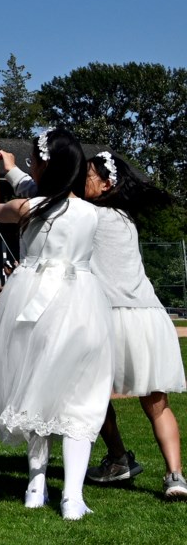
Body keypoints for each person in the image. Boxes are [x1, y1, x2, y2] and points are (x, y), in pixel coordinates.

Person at [0, 129, 113, 520]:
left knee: (37, 386)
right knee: (79, 395)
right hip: (78, 300)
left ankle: (36, 486)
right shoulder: (91, 213)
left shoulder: (28, 207)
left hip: (30, 297)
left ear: (44, 164)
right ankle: (71, 494)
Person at [82, 153, 186, 498]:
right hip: (148, 316)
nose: (81, 181)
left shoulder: (89, 215)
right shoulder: (123, 217)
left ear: (106, 184)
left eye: (87, 176)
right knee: (157, 402)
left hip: (112, 317)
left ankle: (118, 458)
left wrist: (8, 171)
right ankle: (175, 476)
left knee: (91, 395)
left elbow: (44, 197)